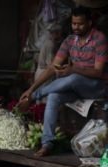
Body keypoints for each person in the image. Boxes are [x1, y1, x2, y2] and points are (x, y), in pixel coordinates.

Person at [19, 6, 108, 157]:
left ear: (90, 23)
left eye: (80, 24)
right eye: (74, 24)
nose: (76, 27)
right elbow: (52, 68)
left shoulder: (99, 39)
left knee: (72, 78)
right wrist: (30, 89)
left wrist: (73, 69)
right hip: (77, 87)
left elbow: (98, 72)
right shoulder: (69, 41)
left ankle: (35, 97)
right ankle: (47, 144)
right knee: (54, 96)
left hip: (97, 87)